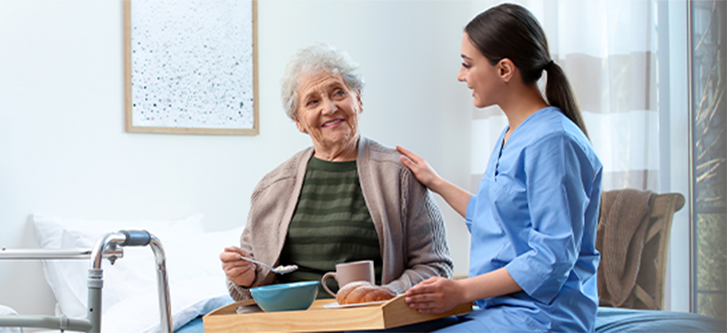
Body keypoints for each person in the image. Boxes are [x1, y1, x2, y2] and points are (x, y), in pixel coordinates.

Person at [399, 4, 602, 332]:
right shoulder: (513, 134)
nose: (460, 75)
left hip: (543, 316)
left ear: (505, 69)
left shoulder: (553, 141)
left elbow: (552, 256)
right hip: (500, 310)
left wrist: (460, 290)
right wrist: (434, 181)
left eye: (467, 64)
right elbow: (492, 219)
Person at [219, 43, 453, 301]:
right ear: (298, 121)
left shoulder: (399, 174)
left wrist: (388, 293)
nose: (329, 108)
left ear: (359, 99)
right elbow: (246, 292)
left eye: (339, 93)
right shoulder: (272, 187)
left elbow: (436, 267)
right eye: (313, 101)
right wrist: (245, 278)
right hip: (293, 324)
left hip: (370, 322)